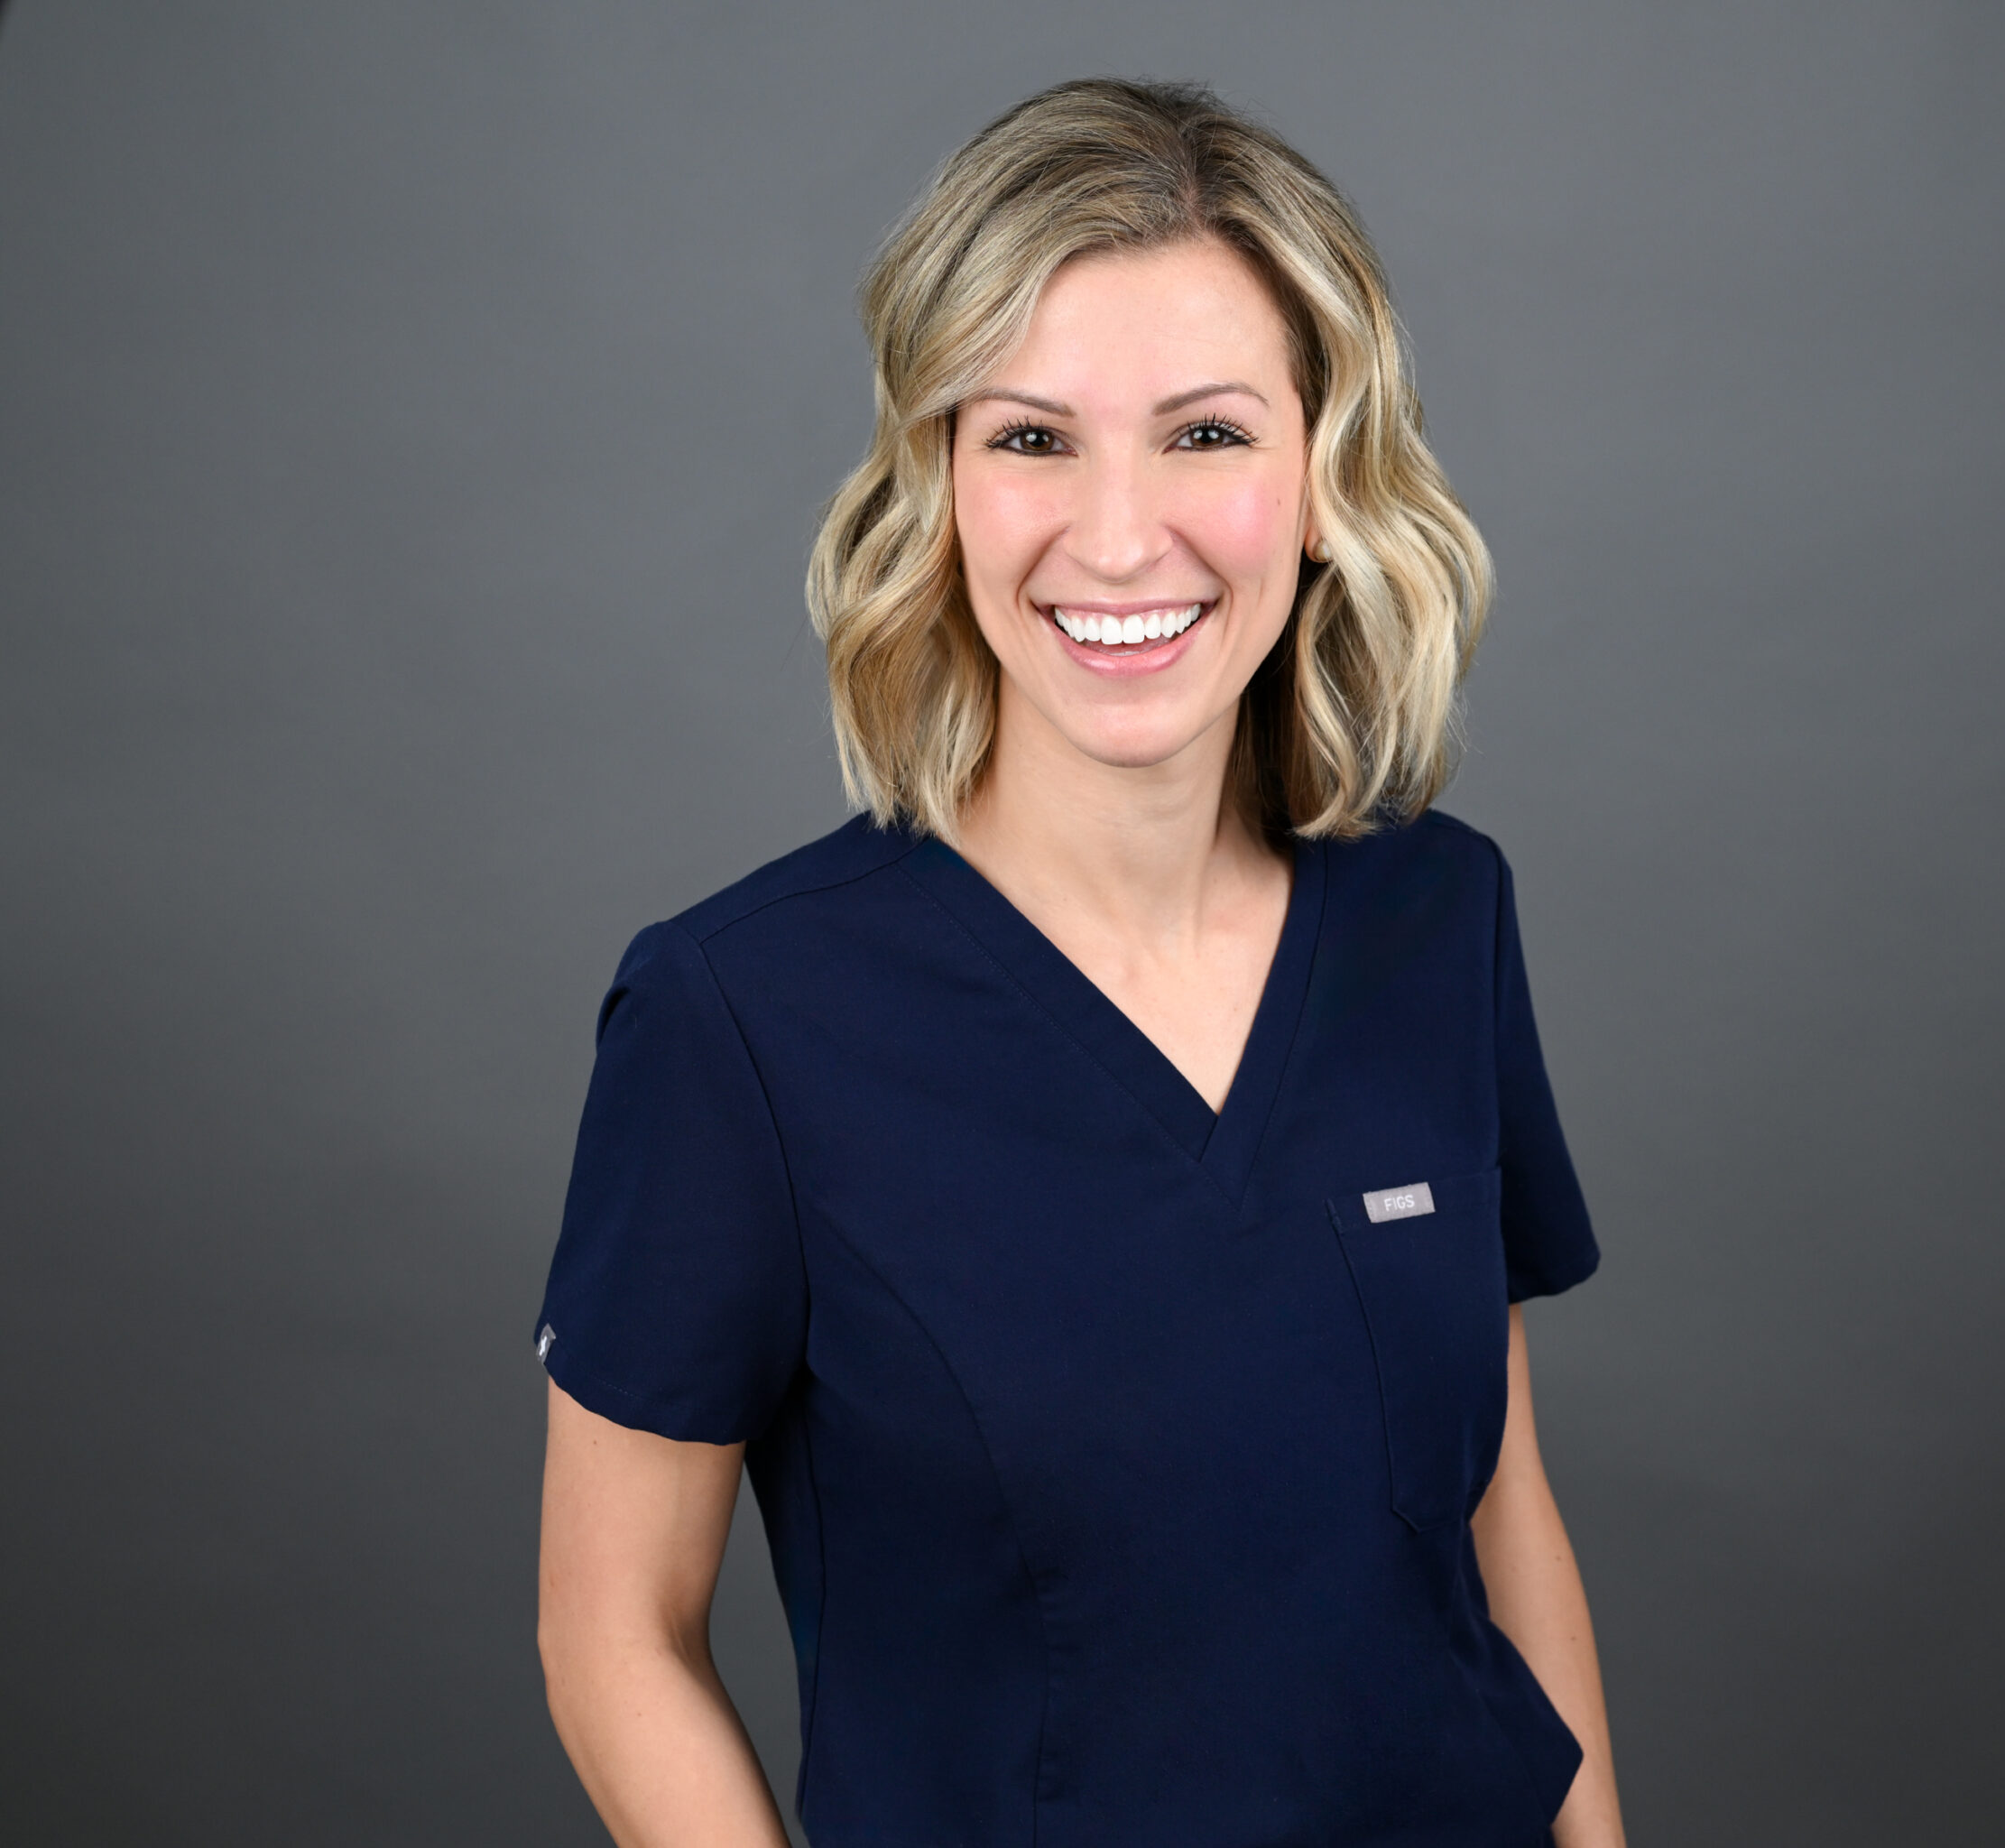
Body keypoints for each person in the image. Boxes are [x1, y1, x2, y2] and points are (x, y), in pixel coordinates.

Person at [533, 77, 1627, 1848]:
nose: (1119, 538)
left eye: (1204, 434)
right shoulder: (738, 1023)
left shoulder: (1436, 919)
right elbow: (610, 1635)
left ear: (1322, 476)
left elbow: (1497, 1515)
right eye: (1032, 437)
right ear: (940, 486)